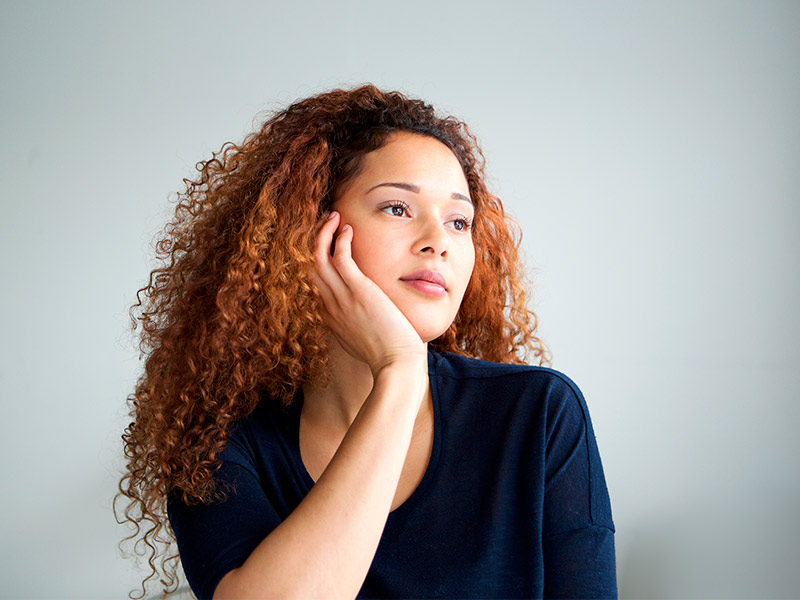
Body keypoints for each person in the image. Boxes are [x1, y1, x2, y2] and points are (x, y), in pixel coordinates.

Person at [117, 85, 616, 599]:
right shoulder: (217, 437)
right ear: (306, 231)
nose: (438, 241)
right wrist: (398, 373)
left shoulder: (539, 414)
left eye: (459, 221)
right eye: (398, 208)